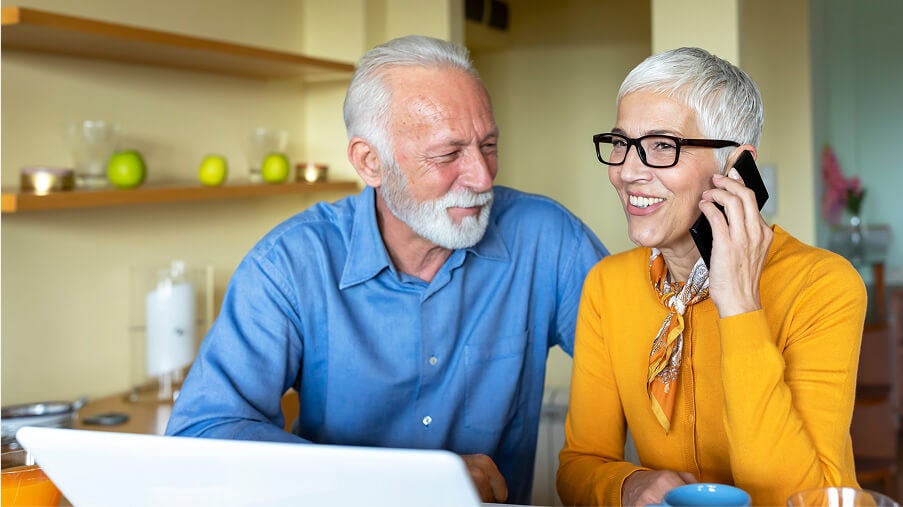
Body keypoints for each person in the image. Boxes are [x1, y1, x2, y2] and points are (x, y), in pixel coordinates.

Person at [165, 35, 608, 505]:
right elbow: (202, 433)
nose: (482, 176)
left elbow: (648, 368)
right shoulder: (291, 263)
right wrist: (403, 482)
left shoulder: (546, 238)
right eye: (448, 154)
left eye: (489, 144)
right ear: (370, 162)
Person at [556, 47, 866, 507]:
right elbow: (580, 463)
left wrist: (740, 305)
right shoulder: (607, 285)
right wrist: (628, 485)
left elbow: (803, 498)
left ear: (736, 166)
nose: (627, 171)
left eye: (663, 145)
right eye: (621, 143)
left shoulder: (823, 285)